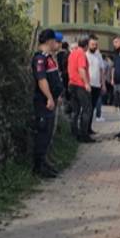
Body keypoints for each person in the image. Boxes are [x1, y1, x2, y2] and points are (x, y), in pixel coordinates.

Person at [30, 29, 63, 178]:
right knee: (42, 134)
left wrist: (57, 96)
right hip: (43, 101)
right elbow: (42, 80)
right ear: (49, 41)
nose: (55, 43)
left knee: (48, 133)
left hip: (51, 100)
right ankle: (38, 167)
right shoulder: (40, 58)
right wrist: (49, 97)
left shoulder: (49, 57)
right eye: (54, 40)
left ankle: (44, 163)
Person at [67, 36, 93, 142]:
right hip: (80, 85)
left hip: (71, 84)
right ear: (86, 45)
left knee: (75, 110)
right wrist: (86, 83)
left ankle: (74, 133)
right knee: (87, 109)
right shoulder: (82, 53)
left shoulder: (73, 53)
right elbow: (81, 69)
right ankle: (84, 135)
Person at [87, 36, 105, 125]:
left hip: (97, 85)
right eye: (92, 44)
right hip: (88, 85)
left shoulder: (98, 55)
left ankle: (89, 128)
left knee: (93, 107)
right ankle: (85, 130)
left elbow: (102, 70)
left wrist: (103, 84)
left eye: (96, 45)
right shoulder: (85, 55)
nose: (94, 46)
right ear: (88, 45)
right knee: (88, 108)